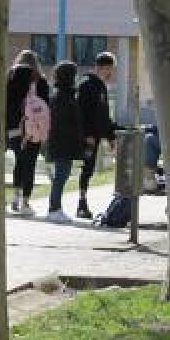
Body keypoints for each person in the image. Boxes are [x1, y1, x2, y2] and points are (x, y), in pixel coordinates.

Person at [75, 51, 121, 218]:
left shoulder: (101, 86)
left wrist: (110, 135)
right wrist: (87, 134)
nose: (111, 73)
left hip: (96, 135)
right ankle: (81, 204)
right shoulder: (87, 84)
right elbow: (81, 113)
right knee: (85, 168)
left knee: (89, 169)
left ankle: (82, 202)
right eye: (110, 69)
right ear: (102, 67)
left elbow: (103, 116)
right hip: (88, 137)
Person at [5, 49, 49, 216]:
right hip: (33, 129)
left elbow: (7, 105)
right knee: (30, 164)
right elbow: (45, 108)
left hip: (14, 128)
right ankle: (25, 202)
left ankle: (15, 198)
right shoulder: (40, 80)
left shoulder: (10, 78)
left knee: (19, 161)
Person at [45, 61, 84, 223]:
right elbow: (62, 122)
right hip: (62, 143)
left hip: (62, 142)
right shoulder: (62, 96)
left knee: (62, 175)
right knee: (61, 176)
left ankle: (56, 207)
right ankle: (54, 208)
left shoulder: (64, 94)